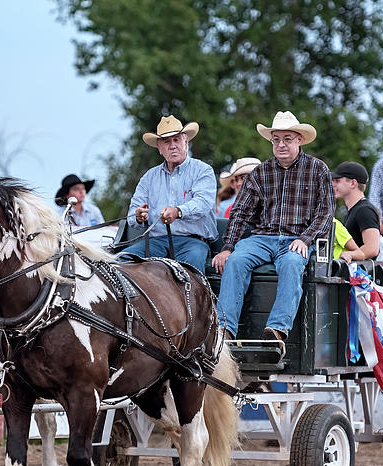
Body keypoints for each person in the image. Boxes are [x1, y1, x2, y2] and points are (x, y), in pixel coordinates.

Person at [211, 111, 333, 344]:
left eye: (287, 139)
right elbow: (240, 212)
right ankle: (224, 329)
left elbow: (325, 213)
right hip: (262, 238)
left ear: (299, 140)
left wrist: (305, 239)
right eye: (276, 139)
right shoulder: (260, 172)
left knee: (291, 262)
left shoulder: (318, 169)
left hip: (297, 238)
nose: (281, 144)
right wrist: (227, 247)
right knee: (235, 260)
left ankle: (276, 330)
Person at [122, 115, 217, 275]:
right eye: (167, 142)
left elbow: (203, 204)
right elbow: (132, 214)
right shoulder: (149, 177)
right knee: (122, 261)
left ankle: (193, 301)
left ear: (185, 143)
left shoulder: (203, 170)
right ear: (159, 148)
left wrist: (178, 211)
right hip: (156, 242)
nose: (172, 146)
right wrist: (139, 217)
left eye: (176, 140)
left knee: (189, 272)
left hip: (192, 241)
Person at [331, 161, 381, 262]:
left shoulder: (364, 210)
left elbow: (372, 249)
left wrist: (349, 255)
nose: (333, 184)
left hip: (361, 274)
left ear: (353, 183)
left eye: (337, 181)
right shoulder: (354, 210)